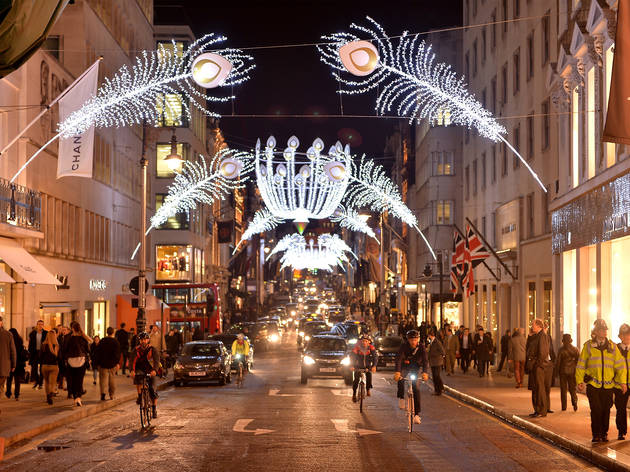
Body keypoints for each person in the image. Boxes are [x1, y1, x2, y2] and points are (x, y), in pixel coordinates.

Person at [576, 319, 627, 442]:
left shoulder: (612, 346)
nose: (604, 332)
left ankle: (604, 433)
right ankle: (596, 434)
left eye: (605, 330)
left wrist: (622, 382)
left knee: (606, 410)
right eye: (601, 329)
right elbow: (581, 364)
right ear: (596, 331)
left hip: (608, 385)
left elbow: (620, 366)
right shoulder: (588, 346)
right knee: (596, 409)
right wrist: (579, 381)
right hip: (593, 384)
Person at [394, 330, 429, 425]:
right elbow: (399, 359)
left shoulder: (421, 347)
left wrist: (425, 373)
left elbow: (425, 361)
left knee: (416, 388)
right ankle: (401, 397)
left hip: (416, 368)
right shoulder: (404, 346)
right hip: (405, 366)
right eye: (411, 339)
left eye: (415, 339)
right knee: (401, 379)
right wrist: (397, 371)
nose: (413, 341)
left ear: (418, 339)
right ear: (408, 340)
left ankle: (417, 415)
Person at [131, 332, 160, 418]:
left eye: (145, 339)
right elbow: (132, 361)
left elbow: (156, 361)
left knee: (152, 390)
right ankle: (140, 397)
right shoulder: (136, 350)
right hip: (140, 369)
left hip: (151, 370)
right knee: (138, 379)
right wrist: (132, 370)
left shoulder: (152, 349)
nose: (143, 341)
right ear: (139, 341)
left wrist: (155, 370)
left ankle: (154, 409)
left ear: (148, 340)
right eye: (141, 340)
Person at [65, 321, 91, 407]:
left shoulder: (68, 338)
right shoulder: (83, 338)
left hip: (71, 361)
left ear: (72, 329)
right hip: (81, 361)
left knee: (71, 380)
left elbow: (65, 349)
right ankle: (78, 398)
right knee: (79, 380)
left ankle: (75, 396)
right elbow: (87, 350)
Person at [94, 327, 121, 401]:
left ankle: (103, 394)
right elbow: (117, 354)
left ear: (107, 332)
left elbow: (97, 352)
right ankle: (111, 394)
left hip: (103, 364)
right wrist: (117, 363)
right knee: (112, 380)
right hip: (112, 364)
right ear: (113, 333)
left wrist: (97, 363)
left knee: (103, 380)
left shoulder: (102, 341)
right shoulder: (116, 342)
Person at [555, 333, 579, 412]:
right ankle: (574, 402)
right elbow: (578, 361)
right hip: (572, 371)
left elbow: (558, 362)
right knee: (572, 389)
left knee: (563, 390)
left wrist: (556, 372)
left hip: (563, 371)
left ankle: (564, 406)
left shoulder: (561, 350)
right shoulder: (575, 349)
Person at [350, 334, 377, 402]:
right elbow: (352, 357)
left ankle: (368, 389)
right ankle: (354, 394)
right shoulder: (357, 348)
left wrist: (374, 366)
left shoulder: (371, 348)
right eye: (363, 341)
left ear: (369, 342)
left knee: (369, 375)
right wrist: (352, 365)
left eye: (366, 341)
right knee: (356, 379)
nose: (364, 342)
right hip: (358, 366)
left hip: (367, 366)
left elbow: (375, 357)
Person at [615, 324, 630, 440]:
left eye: (628, 334)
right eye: (624, 335)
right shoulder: (615, 349)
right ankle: (621, 431)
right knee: (621, 409)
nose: (627, 337)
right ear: (619, 336)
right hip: (620, 384)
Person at [40, 330, 59, 405]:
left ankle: (48, 396)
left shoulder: (43, 345)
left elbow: (40, 356)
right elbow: (59, 357)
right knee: (52, 382)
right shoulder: (56, 346)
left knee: (47, 382)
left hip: (44, 366)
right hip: (54, 366)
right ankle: (51, 393)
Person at [6, 328, 25, 400]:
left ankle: (8, 393)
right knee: (17, 380)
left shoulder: (9, 341)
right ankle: (16, 395)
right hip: (19, 363)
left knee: (9, 379)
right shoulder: (20, 340)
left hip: (10, 362)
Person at [0, 316, 16, 402]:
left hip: (4, 366)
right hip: (4, 366)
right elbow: (13, 351)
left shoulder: (8, 334)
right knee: (1, 386)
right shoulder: (8, 334)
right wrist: (13, 364)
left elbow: (13, 351)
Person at [28, 320, 47, 389]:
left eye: (41, 324)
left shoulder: (46, 333)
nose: (40, 326)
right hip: (35, 352)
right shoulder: (33, 333)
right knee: (34, 368)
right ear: (37, 325)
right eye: (39, 324)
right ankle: (37, 381)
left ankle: (41, 383)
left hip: (43, 352)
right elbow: (30, 344)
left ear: (43, 325)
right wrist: (29, 352)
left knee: (42, 368)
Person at [427, 329, 445, 395]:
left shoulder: (437, 342)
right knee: (435, 376)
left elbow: (442, 351)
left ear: (430, 335)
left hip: (437, 362)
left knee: (436, 376)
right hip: (433, 362)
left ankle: (438, 390)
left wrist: (434, 354)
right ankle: (440, 388)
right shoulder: (431, 341)